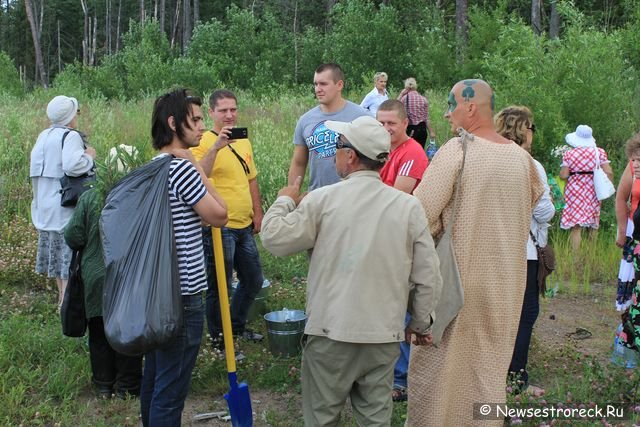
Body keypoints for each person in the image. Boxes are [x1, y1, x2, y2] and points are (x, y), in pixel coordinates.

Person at [261, 115, 442, 426]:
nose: (333, 153)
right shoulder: (407, 207)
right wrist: (421, 323)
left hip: (331, 333)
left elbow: (274, 239)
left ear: (351, 156)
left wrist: (283, 201)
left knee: (322, 417)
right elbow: (428, 276)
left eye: (338, 147)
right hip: (383, 336)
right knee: (375, 420)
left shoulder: (322, 200)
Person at [408, 79, 544, 426]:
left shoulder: (458, 150)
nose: (447, 113)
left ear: (470, 107)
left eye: (451, 105)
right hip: (506, 286)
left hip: (457, 281)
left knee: (437, 373)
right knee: (488, 369)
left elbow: (419, 216)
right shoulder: (523, 161)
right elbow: (528, 212)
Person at [139, 89, 228, 426]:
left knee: (155, 377)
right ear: (174, 123)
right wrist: (201, 172)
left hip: (156, 291)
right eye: (196, 119)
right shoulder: (183, 170)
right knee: (171, 389)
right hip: (185, 294)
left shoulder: (151, 169)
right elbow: (220, 215)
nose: (203, 128)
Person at [64, 146, 143, 400]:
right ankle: (128, 387)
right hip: (128, 276)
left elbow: (73, 235)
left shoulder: (90, 197)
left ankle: (103, 385)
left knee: (98, 331)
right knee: (127, 331)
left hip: (96, 277)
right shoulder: (139, 197)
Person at [190, 89, 265, 348]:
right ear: (211, 113)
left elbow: (251, 178)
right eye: (223, 110)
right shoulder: (201, 142)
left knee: (253, 280)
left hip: (244, 224)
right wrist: (217, 147)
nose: (230, 115)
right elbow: (200, 175)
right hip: (218, 226)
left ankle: (235, 327)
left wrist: (258, 211)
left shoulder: (243, 140)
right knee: (220, 287)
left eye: (233, 109)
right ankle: (219, 341)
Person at [494, 106, 554, 395]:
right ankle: (515, 378)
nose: (532, 133)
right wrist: (550, 200)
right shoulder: (531, 165)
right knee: (525, 314)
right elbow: (544, 212)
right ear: (522, 129)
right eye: (531, 127)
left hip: (495, 249)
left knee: (499, 313)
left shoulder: (490, 159)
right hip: (525, 251)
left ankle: (494, 371)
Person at [376, 99, 429, 401]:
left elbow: (396, 196)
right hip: (383, 239)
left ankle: (403, 380)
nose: (385, 129)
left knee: (403, 312)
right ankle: (390, 372)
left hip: (401, 242)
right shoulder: (384, 150)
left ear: (406, 123)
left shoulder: (412, 153)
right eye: (380, 123)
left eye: (390, 124)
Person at [29, 95, 96, 310]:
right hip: (63, 207)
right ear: (69, 116)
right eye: (75, 113)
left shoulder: (43, 136)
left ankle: (61, 301)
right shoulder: (70, 136)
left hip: (44, 208)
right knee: (68, 260)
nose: (77, 117)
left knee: (57, 258)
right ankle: (67, 309)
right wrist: (90, 157)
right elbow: (72, 166)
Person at [287, 63, 369, 190]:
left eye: (323, 84)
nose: (318, 89)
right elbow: (299, 163)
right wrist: (292, 194)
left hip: (351, 195)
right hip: (317, 198)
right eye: (315, 84)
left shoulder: (362, 117)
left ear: (339, 85)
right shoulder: (305, 121)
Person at [559, 124, 613, 251]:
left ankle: (575, 258)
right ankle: (591, 255)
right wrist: (606, 188)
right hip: (594, 189)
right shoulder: (599, 152)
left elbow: (564, 175)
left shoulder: (569, 154)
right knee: (593, 224)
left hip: (574, 191)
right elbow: (609, 172)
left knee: (576, 225)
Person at [614, 135, 640, 311]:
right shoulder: (634, 165)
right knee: (631, 283)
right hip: (634, 229)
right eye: (634, 159)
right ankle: (628, 328)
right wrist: (622, 231)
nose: (635, 163)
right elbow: (621, 198)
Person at [397, 77, 436, 148]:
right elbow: (426, 118)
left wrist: (401, 94)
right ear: (415, 86)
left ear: (406, 86)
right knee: (420, 151)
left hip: (411, 129)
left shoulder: (404, 98)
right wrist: (431, 132)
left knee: (409, 151)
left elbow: (395, 106)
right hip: (423, 130)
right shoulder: (423, 99)